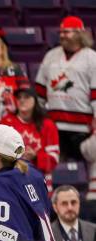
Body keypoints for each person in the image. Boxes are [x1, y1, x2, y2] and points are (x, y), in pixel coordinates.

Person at [35, 16, 96, 162]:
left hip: (82, 127)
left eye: (67, 32)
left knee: (80, 171)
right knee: (56, 170)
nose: (62, 35)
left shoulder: (92, 58)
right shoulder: (51, 56)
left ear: (79, 33)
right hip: (54, 125)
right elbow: (40, 91)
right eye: (61, 32)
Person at [0, 87, 60, 193]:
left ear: (35, 100)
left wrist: (36, 156)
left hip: (40, 181)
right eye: (19, 97)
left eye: (26, 97)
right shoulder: (6, 122)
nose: (22, 100)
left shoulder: (47, 125)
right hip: (12, 180)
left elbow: (54, 159)